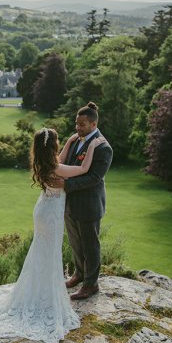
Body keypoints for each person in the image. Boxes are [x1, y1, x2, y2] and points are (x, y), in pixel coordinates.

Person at [0, 127, 105, 343]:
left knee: (40, 252)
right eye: (58, 142)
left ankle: (40, 289)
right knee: (48, 254)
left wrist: (70, 141)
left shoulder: (46, 163)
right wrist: (93, 147)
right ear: (53, 146)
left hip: (42, 211)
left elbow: (60, 161)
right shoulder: (57, 167)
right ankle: (45, 295)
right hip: (51, 216)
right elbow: (83, 168)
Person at [57, 102, 113, 300]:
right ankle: (79, 274)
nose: (77, 127)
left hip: (89, 205)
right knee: (75, 243)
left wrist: (64, 184)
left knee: (90, 246)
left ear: (93, 124)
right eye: (76, 123)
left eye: (81, 124)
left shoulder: (103, 147)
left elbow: (94, 178)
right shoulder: (75, 140)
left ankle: (91, 284)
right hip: (70, 203)